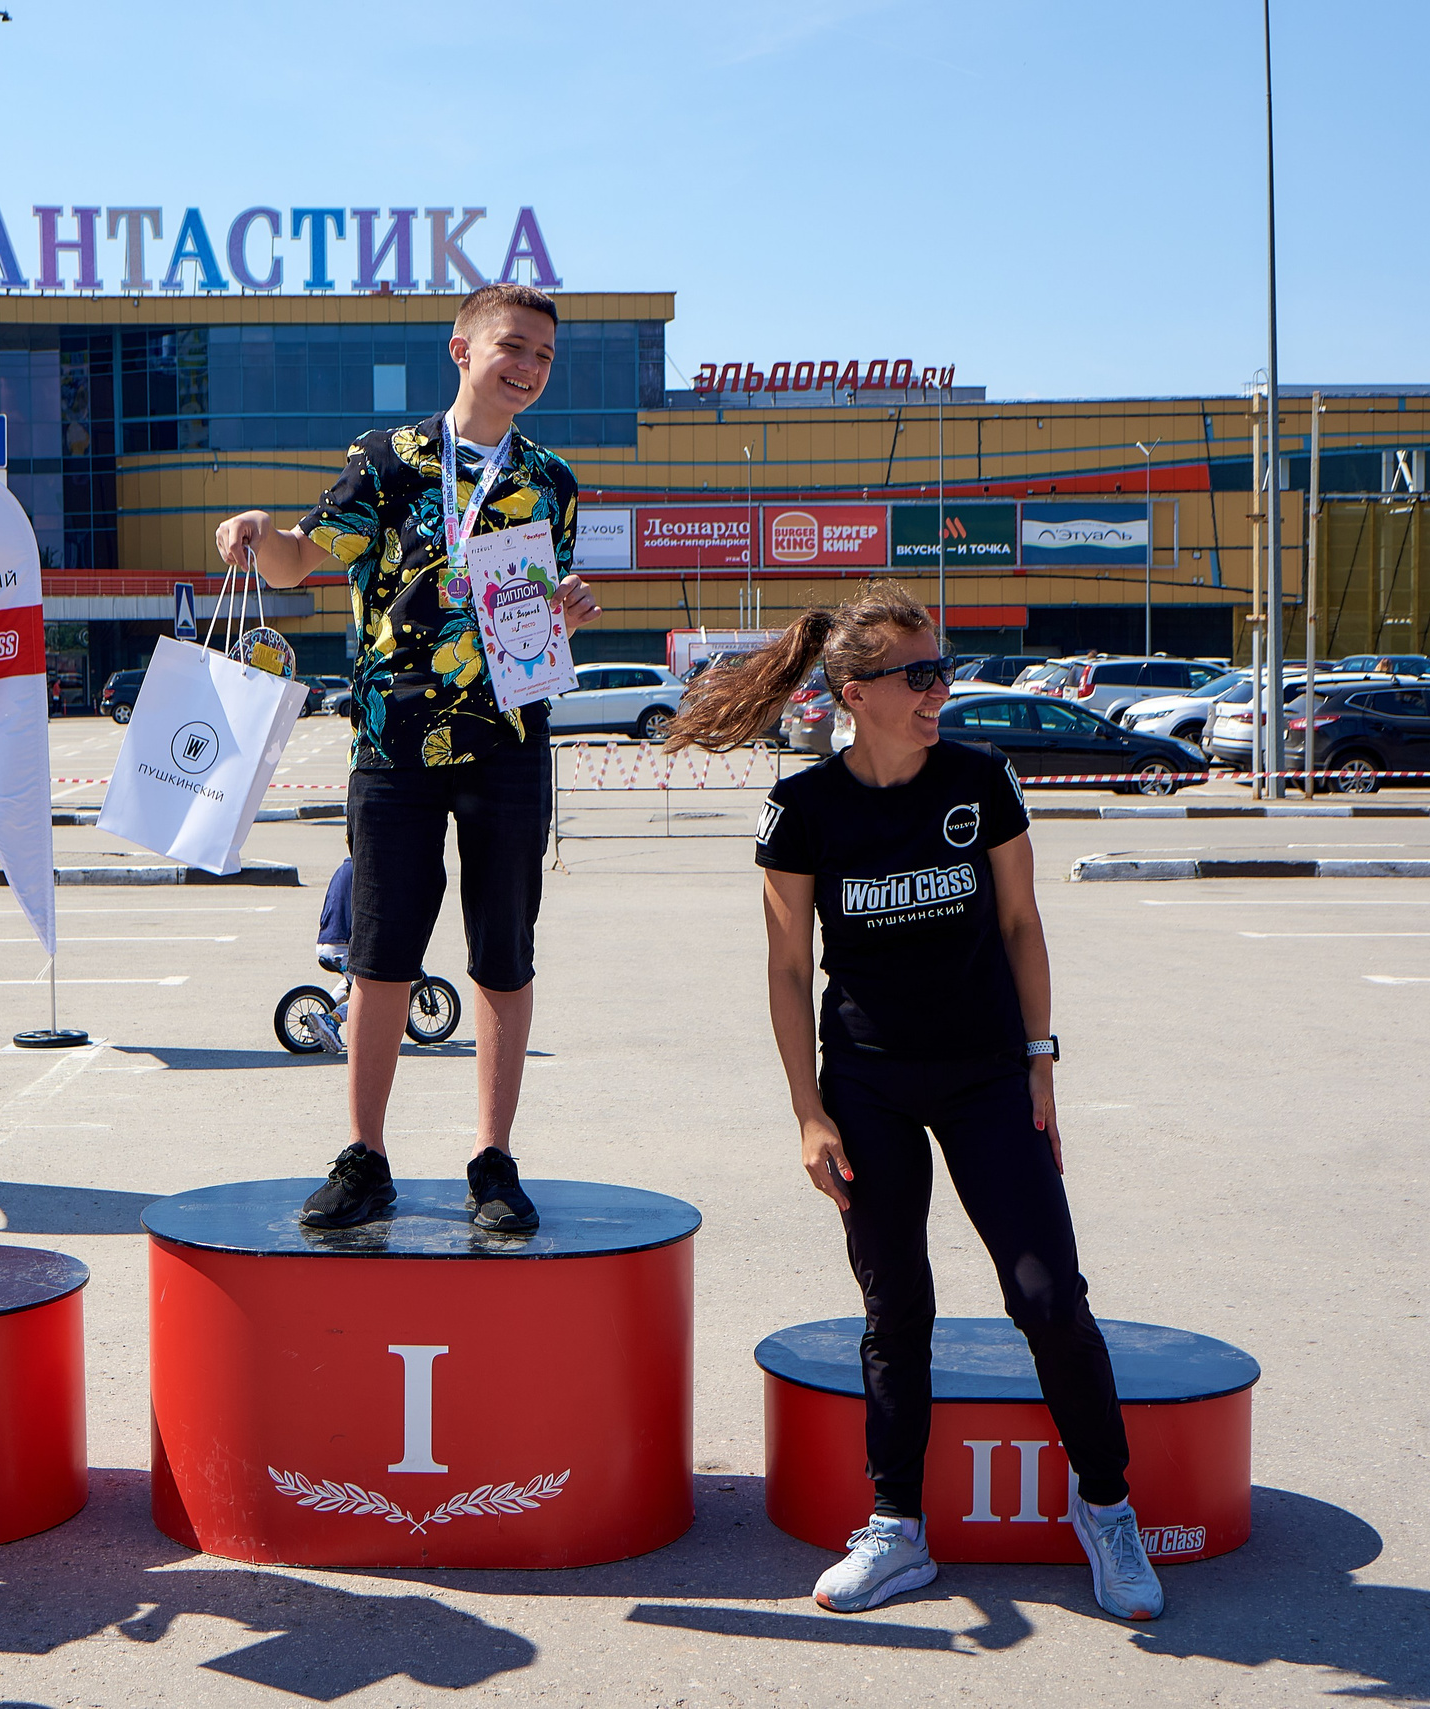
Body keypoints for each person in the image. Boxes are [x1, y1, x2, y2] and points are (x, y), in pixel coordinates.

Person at [665, 582, 1166, 1622]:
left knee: (1048, 1296)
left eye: (943, 668)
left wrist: (1040, 1060)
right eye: (921, 674)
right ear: (857, 693)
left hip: (987, 1074)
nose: (942, 690)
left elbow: (1022, 924)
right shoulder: (803, 808)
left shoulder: (981, 779)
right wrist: (808, 1112)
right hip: (867, 1083)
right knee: (895, 1305)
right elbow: (784, 968)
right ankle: (896, 1526)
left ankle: (1107, 1506)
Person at [214, 282, 599, 1234]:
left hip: (509, 742)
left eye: (545, 356)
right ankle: (365, 1157)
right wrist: (259, 535)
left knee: (504, 951)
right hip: (393, 743)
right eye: (514, 346)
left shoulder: (550, 479)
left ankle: (494, 1160)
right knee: (381, 951)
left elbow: (532, 613)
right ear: (462, 350)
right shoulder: (388, 460)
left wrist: (564, 616)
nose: (530, 367)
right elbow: (303, 558)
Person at [305, 856, 355, 1056]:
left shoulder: (342, 871)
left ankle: (318, 1019)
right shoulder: (363, 871)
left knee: (352, 982)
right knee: (373, 992)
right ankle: (332, 1019)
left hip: (326, 942)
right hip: (343, 945)